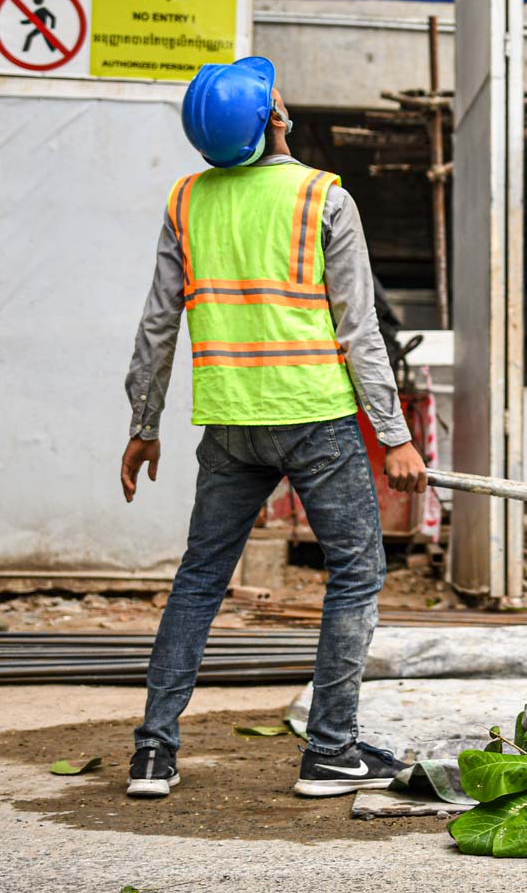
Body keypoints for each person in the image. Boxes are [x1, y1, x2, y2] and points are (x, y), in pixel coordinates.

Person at [120, 56, 428, 798]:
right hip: (315, 416)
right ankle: (330, 750)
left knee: (199, 579)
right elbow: (360, 330)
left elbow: (158, 325)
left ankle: (154, 754)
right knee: (356, 572)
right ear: (275, 119)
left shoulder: (187, 202)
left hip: (230, 423)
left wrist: (143, 422)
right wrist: (395, 435)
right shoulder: (323, 197)